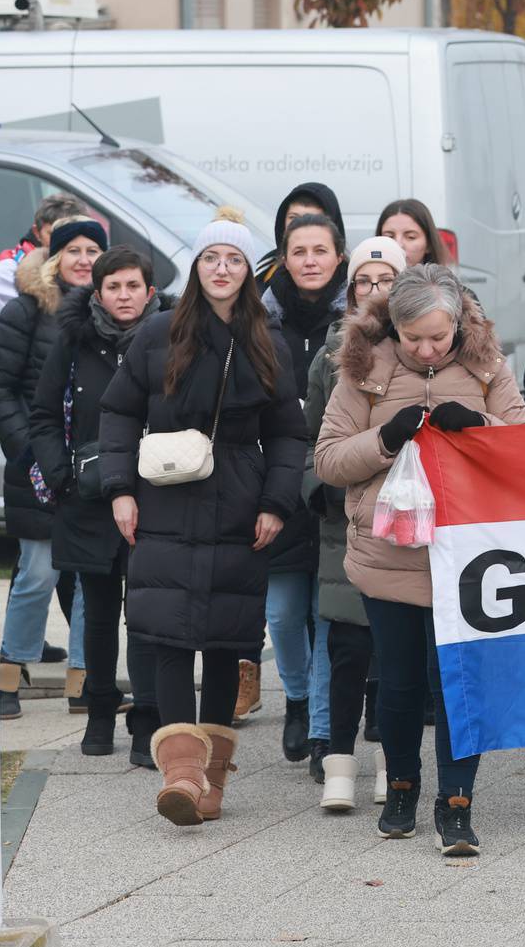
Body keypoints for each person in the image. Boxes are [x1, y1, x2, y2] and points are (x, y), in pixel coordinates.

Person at [98, 211, 308, 828]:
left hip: (240, 499)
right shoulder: (158, 331)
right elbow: (118, 414)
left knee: (224, 642)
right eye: (212, 257)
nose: (222, 269)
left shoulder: (268, 340)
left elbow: (289, 435)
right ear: (196, 266)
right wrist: (118, 489)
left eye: (234, 260)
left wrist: (276, 502)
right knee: (163, 635)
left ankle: (211, 779)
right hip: (162, 495)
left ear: (249, 272)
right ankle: (180, 772)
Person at [315, 264, 525, 856]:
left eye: (438, 337)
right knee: (401, 683)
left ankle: (456, 803)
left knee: (458, 685)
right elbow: (329, 459)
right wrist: (386, 440)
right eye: (414, 339)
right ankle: (403, 790)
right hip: (388, 555)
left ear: (458, 324)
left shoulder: (486, 367)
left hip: (465, 560)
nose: (427, 349)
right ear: (396, 330)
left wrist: (479, 430)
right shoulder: (364, 369)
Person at [28, 246, 167, 763]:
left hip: (154, 495)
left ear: (149, 292)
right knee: (99, 610)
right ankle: (101, 711)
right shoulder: (72, 338)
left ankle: (147, 721)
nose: (123, 296)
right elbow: (42, 414)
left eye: (133, 286)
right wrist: (61, 478)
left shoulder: (168, 336)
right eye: (114, 287)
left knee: (148, 613)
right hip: (86, 499)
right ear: (98, 292)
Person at [0, 216, 103, 718]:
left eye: (92, 251)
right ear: (54, 258)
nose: (82, 259)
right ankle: (8, 673)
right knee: (35, 571)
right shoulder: (26, 309)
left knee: (86, 574)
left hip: (91, 466)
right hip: (35, 463)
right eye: (72, 250)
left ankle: (83, 679)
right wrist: (27, 447)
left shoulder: (108, 311)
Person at [304, 236, 406, 812]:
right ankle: (338, 758)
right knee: (346, 647)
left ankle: (393, 762)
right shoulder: (331, 355)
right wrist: (319, 489)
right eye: (364, 282)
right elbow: (316, 433)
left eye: (385, 279)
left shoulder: (427, 350)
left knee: (397, 652)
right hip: (346, 512)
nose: (374, 291)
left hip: (407, 517)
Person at [255, 211, 348, 769]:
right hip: (277, 480)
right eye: (299, 251)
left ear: (339, 256)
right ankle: (296, 696)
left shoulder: (356, 318)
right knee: (284, 613)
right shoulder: (263, 320)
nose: (310, 261)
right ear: (283, 258)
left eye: (320, 250)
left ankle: (321, 733)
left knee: (326, 612)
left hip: (333, 482)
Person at [0, 195, 87, 415]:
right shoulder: (8, 273)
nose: (65, 244)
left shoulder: (81, 268)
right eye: (54, 235)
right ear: (36, 232)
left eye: (74, 235)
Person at [256, 182, 344, 279]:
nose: (301, 225)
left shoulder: (352, 281)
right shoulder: (265, 270)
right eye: (293, 218)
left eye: (313, 218)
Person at [377, 199, 447, 267]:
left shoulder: (444, 278)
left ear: (429, 244)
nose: (398, 245)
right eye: (389, 237)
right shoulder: (370, 277)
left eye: (411, 237)